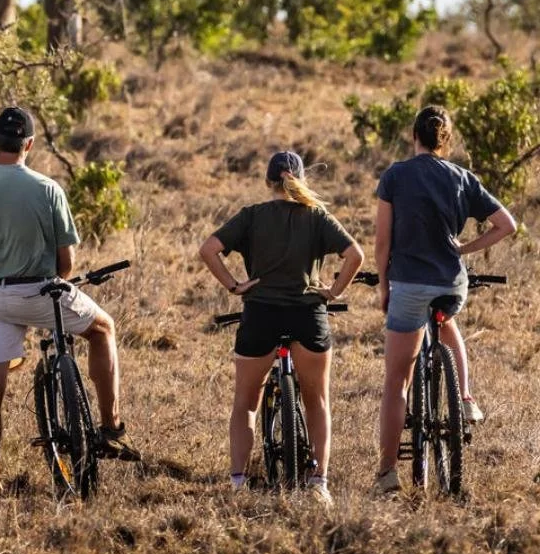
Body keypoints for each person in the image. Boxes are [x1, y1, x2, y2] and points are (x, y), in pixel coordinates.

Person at [0, 106, 140, 492]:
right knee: (103, 329)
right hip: (40, 290)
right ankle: (111, 426)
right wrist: (54, 281)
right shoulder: (48, 188)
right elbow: (66, 263)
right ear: (29, 144)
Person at [199, 151, 364, 505]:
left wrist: (234, 286)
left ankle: (238, 482)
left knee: (246, 403)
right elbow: (356, 255)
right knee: (317, 401)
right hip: (308, 315)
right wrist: (333, 292)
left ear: (267, 181)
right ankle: (319, 482)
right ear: (301, 180)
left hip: (261, 314)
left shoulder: (252, 216)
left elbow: (208, 249)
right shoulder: (317, 216)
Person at [372, 106, 516, 494]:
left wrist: (384, 286)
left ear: (413, 136)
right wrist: (465, 248)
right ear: (446, 141)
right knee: (446, 321)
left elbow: (382, 243)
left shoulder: (395, 176)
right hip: (452, 285)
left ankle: (387, 473)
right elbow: (507, 224)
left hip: (408, 284)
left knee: (396, 383)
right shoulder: (462, 177)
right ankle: (465, 398)